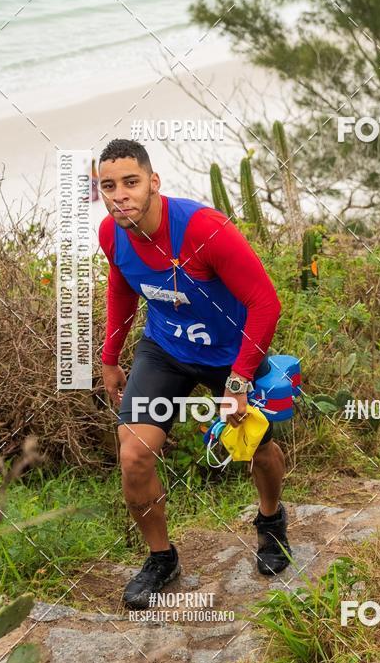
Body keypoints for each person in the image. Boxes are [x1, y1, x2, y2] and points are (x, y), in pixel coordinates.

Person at [97, 138, 291, 609]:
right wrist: (109, 357)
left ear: (153, 182)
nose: (120, 194)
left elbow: (266, 304)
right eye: (108, 186)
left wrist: (239, 381)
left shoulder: (205, 229)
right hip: (164, 350)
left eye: (130, 182)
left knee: (256, 448)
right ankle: (162, 558)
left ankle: (271, 520)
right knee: (134, 456)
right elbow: (123, 289)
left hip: (230, 354)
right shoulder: (111, 233)